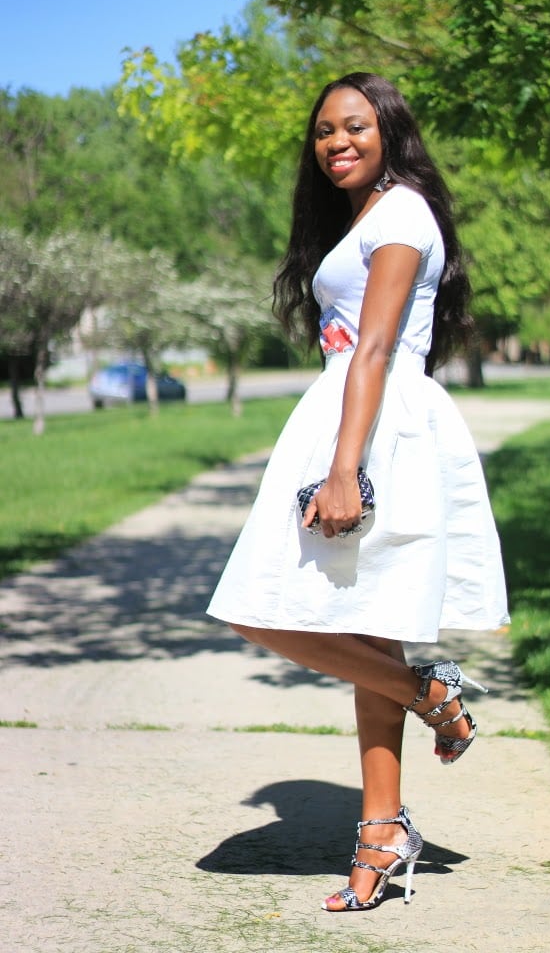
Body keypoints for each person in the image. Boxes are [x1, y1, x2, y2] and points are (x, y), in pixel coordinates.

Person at [207, 72, 509, 912]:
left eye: (353, 127)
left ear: (389, 132)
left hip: (375, 424)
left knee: (262, 606)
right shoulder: (365, 218)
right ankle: (384, 824)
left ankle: (426, 700)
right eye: (323, 133)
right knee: (363, 632)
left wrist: (346, 469)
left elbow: (375, 350)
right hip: (348, 411)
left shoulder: (404, 210)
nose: (335, 142)